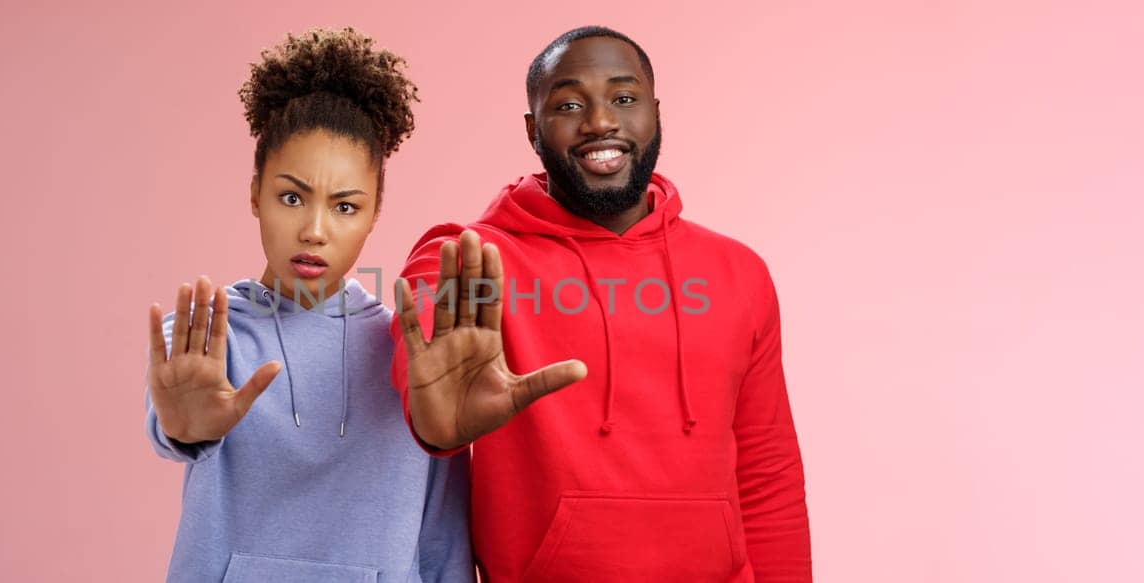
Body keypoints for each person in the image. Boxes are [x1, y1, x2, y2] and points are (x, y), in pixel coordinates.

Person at [390, 26, 811, 582]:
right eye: (568, 104)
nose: (600, 122)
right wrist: (435, 423)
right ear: (531, 130)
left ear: (655, 112)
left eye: (624, 98)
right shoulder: (471, 260)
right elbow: (421, 345)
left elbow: (767, 475)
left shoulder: (738, 273)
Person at [143, 28, 471, 582]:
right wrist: (183, 429)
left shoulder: (413, 352)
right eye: (291, 198)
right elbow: (171, 421)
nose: (315, 230)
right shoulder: (209, 334)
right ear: (255, 194)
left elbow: (442, 540)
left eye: (345, 207)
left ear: (375, 212)